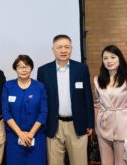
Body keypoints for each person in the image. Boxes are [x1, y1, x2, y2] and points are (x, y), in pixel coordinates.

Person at [37, 34, 94, 165]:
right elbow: (42, 100)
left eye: (66, 47)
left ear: (71, 49)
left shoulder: (81, 69)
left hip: (77, 124)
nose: (63, 50)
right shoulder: (43, 71)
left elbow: (87, 96)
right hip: (54, 124)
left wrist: (90, 123)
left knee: (79, 162)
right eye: (59, 47)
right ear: (53, 50)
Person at [2, 55, 48, 165]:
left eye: (26, 66)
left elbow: (43, 112)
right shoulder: (8, 86)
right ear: (15, 69)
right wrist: (20, 134)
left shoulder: (40, 87)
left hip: (36, 137)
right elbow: (6, 112)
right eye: (20, 67)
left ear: (31, 68)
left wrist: (31, 134)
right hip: (14, 138)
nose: (23, 70)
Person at [94, 45, 127, 165]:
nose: (109, 61)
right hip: (103, 126)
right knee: (106, 162)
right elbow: (97, 104)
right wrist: (96, 126)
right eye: (105, 58)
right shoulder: (97, 79)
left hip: (123, 126)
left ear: (119, 58)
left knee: (122, 162)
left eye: (112, 57)